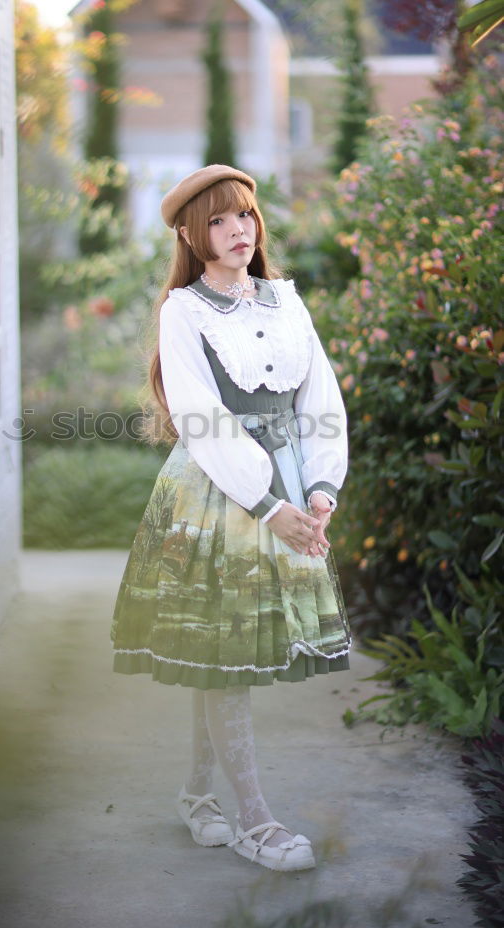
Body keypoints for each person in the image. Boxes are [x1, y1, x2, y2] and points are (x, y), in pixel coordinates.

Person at [109, 164, 352, 873]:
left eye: (244, 214)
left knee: (224, 659)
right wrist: (269, 503)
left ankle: (196, 795)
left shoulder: (285, 301)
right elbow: (201, 418)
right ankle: (254, 820)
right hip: (218, 495)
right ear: (192, 234)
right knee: (225, 660)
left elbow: (320, 400)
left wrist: (319, 492)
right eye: (218, 220)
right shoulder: (183, 309)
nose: (237, 230)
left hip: (288, 492)